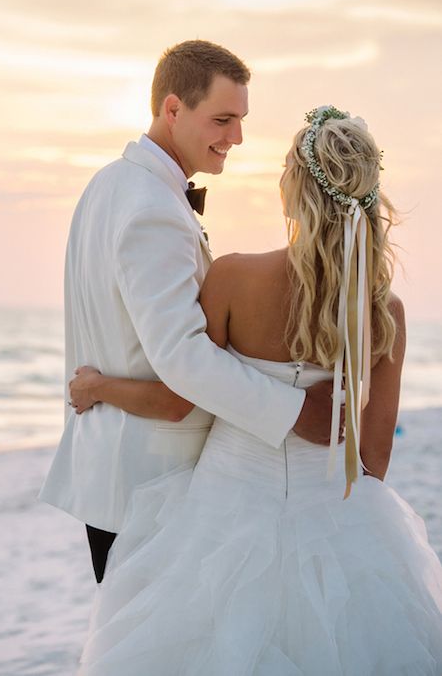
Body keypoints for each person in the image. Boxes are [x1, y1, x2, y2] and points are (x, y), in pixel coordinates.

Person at [73, 107, 442, 675]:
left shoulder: (234, 277)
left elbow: (181, 397)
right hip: (341, 522)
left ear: (292, 186)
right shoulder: (382, 312)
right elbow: (371, 459)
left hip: (220, 513)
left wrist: (99, 387)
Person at [39, 41, 336, 584]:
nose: (237, 138)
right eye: (222, 119)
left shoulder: (110, 184)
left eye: (241, 120)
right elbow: (182, 358)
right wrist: (295, 412)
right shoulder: (152, 208)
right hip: (149, 479)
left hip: (116, 469)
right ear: (172, 109)